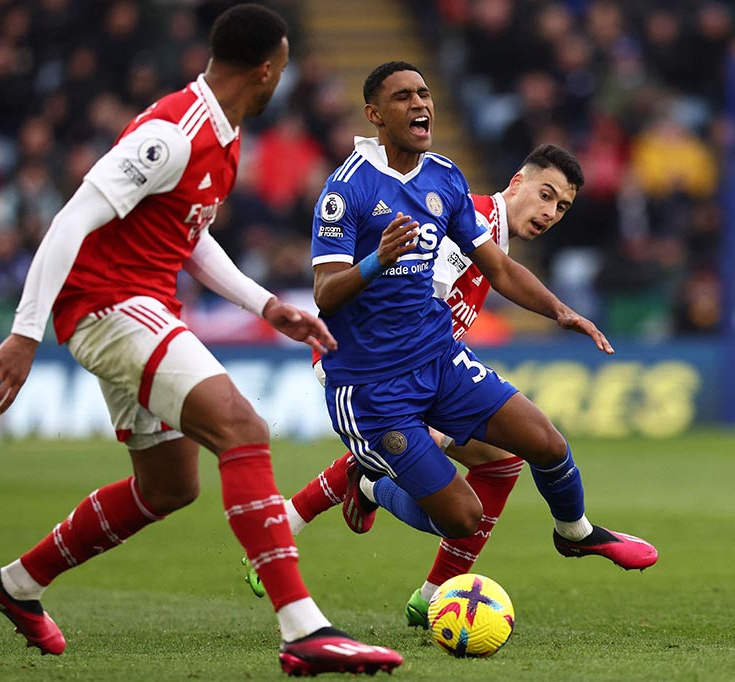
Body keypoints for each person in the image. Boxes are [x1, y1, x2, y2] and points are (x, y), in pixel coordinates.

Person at [0, 6, 403, 676]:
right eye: (281, 70)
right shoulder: (176, 131)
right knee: (243, 428)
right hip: (109, 305)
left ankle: (18, 585)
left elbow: (189, 236)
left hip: (138, 304)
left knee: (168, 487)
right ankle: (303, 629)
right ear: (265, 69)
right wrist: (25, 335)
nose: (280, 83)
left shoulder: (224, 136)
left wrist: (265, 304)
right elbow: (72, 217)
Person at [289, 61, 657, 618]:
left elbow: (499, 274)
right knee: (459, 511)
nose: (421, 105)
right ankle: (369, 486)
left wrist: (561, 312)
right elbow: (329, 294)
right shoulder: (346, 192)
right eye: (547, 196)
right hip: (369, 375)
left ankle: (562, 537)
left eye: (426, 94)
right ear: (375, 114)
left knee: (541, 446)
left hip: (436, 362)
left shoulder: (445, 180)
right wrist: (378, 260)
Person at [244, 144, 624, 630]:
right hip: (377, 365)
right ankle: (372, 512)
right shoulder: (470, 218)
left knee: (502, 463)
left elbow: (488, 282)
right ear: (516, 183)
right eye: (545, 195)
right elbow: (420, 290)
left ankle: (416, 586)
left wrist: (559, 312)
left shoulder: (492, 238)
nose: (549, 213)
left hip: (418, 367)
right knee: (459, 464)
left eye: (562, 206)